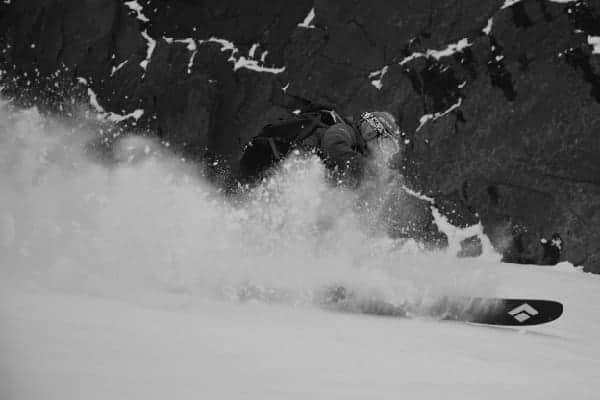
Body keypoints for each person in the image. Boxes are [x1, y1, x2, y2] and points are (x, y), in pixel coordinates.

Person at [238, 109, 402, 187]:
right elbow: (333, 145)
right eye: (385, 144)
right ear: (371, 132)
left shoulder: (354, 150)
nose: (382, 152)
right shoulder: (345, 131)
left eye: (389, 149)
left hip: (276, 179)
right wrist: (369, 170)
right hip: (274, 172)